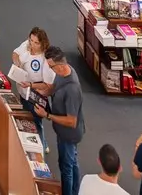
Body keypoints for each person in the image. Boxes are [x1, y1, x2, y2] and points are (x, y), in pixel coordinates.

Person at [34, 45, 83, 192]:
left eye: (51, 67)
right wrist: (40, 90)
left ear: (60, 65)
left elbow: (71, 121)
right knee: (72, 163)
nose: (50, 69)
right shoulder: (62, 74)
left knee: (66, 168)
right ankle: (75, 191)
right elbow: (53, 88)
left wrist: (47, 115)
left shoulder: (72, 89)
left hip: (68, 135)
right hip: (62, 132)